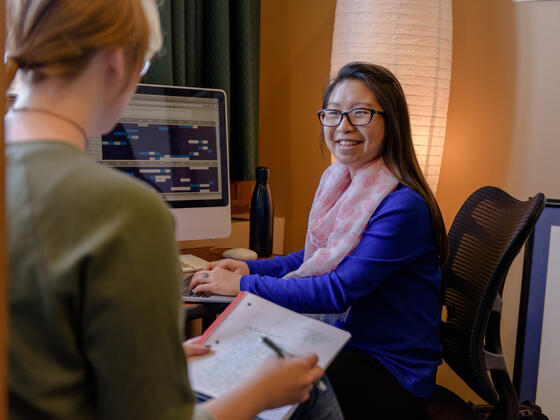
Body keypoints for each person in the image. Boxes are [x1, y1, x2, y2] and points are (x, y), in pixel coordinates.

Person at [4, 1, 328, 419]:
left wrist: (153, 357)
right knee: (313, 393)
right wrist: (261, 393)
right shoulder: (124, 213)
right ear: (118, 63)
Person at [190, 62, 449, 419]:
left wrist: (242, 284)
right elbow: (314, 258)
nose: (344, 126)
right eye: (334, 113)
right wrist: (248, 267)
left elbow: (337, 291)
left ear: (391, 120)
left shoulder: (402, 206)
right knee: (220, 364)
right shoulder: (343, 181)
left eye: (360, 113)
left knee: (238, 379)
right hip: (345, 343)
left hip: (389, 374)